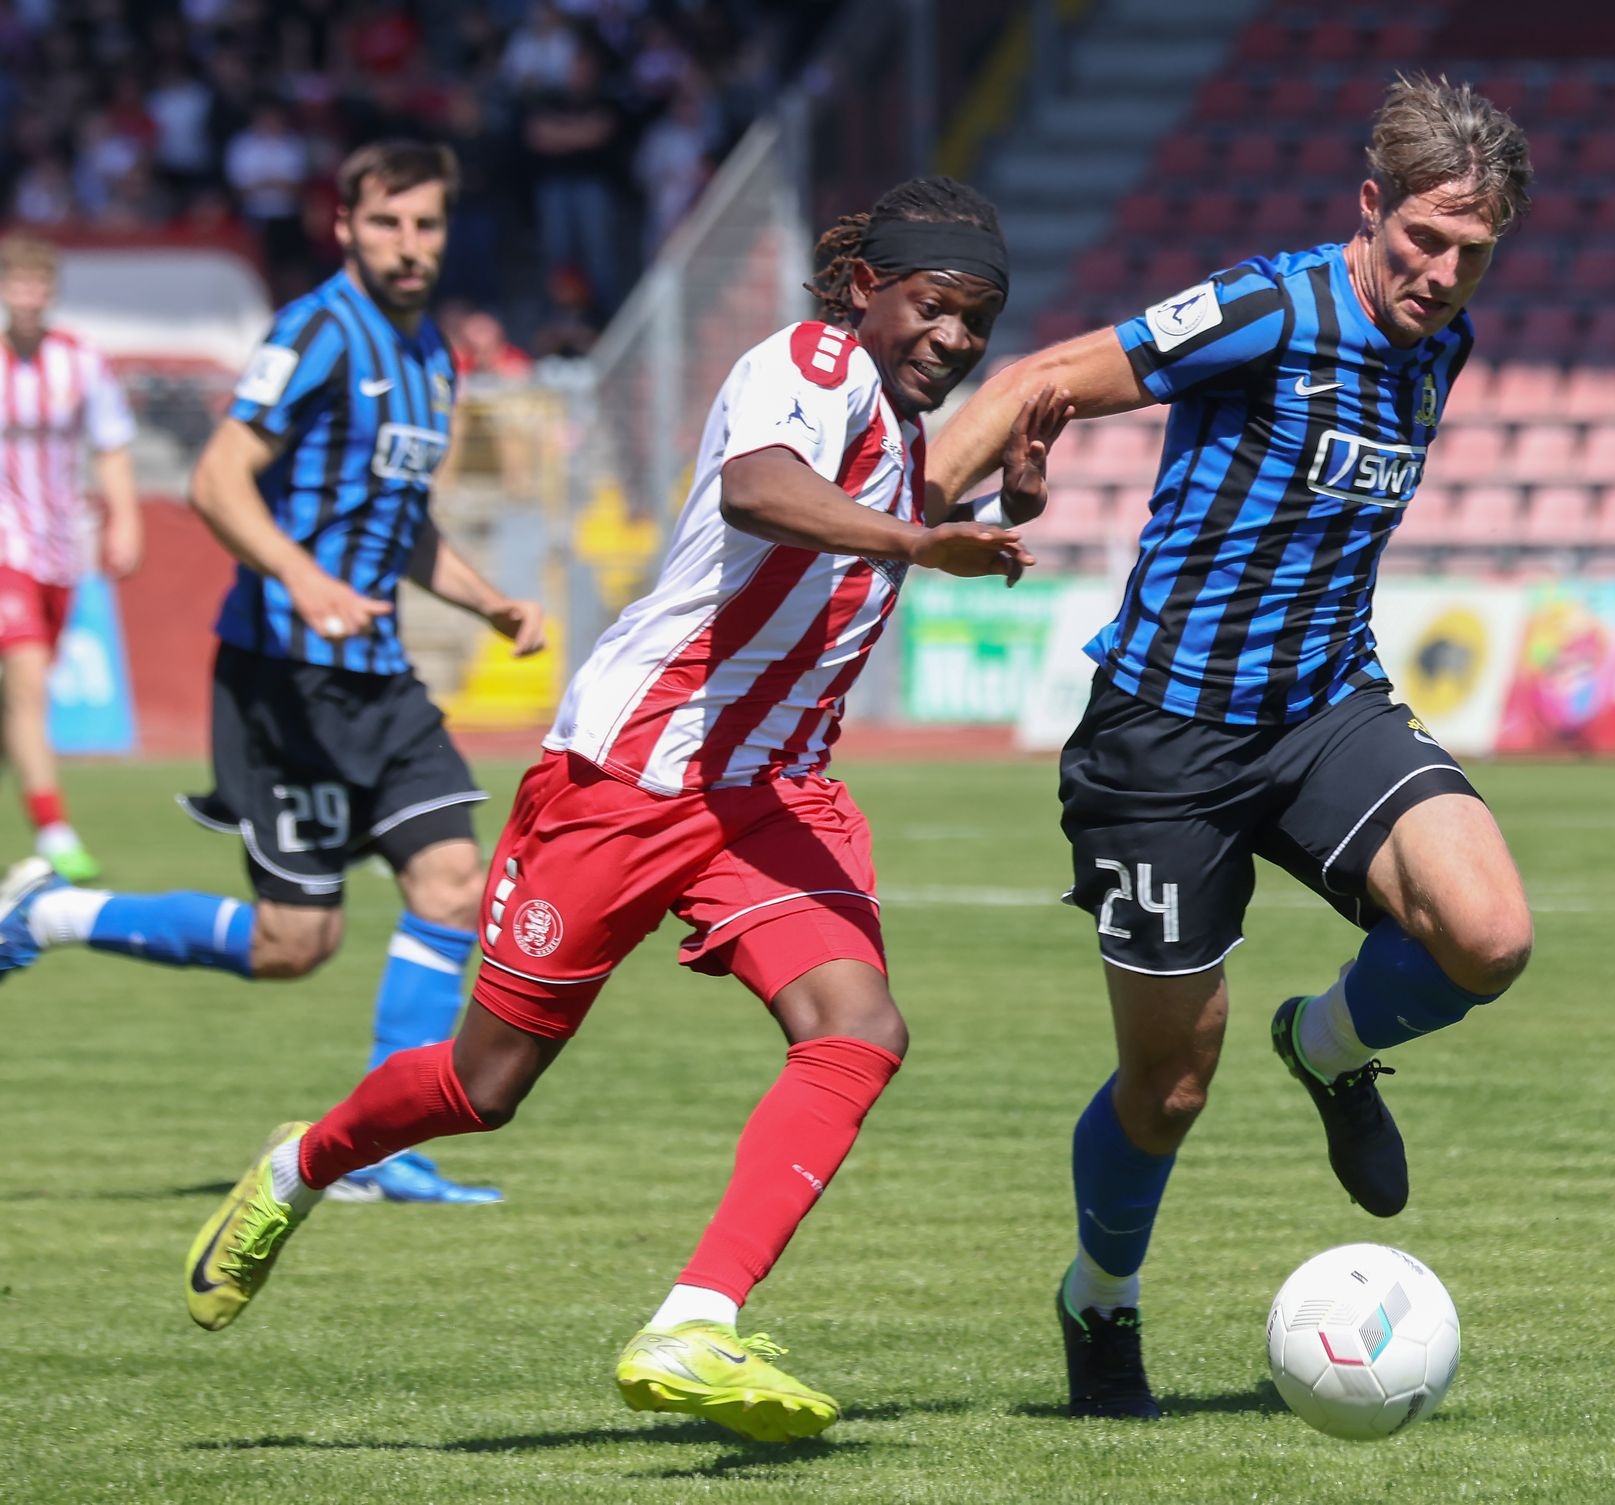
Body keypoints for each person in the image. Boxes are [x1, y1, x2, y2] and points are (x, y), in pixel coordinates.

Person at [178, 176, 1067, 1443]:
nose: (955, 337)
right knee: (485, 1083)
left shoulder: (887, 415)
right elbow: (761, 489)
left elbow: (878, 516)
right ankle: (297, 1165)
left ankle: (694, 1319)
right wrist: (921, 543)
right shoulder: (805, 362)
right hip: (633, 777)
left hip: (770, 792)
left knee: (859, 1027)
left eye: (977, 319)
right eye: (936, 305)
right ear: (868, 287)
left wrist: (998, 507)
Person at [927, 75, 1537, 1419]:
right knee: (1170, 1085)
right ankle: (1100, 1296)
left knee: (1489, 935)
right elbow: (1040, 377)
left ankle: (1325, 1044)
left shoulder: (1446, 345)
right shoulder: (1269, 306)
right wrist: (913, 519)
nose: (1442, 275)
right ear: (1370, 207)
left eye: (1472, 253)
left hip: (1324, 706)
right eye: (1424, 239)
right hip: (1165, 738)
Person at [0, 140, 545, 1206]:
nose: (408, 245)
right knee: (295, 943)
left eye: (426, 224)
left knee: (452, 883)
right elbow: (217, 479)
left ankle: (378, 1148)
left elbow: (400, 520)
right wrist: (302, 577)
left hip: (377, 675)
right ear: (344, 227)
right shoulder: (315, 332)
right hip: (280, 674)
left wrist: (488, 601)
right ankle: (54, 913)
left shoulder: (434, 355)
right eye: (385, 223)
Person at [0, 232, 143, 882]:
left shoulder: (81, 361)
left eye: (38, 285)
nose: (28, 297)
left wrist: (126, 519)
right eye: (17, 284)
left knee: (25, 694)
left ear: (51, 293)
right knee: (26, 678)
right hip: (7, 546)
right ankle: (55, 830)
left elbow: (111, 445)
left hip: (62, 547)